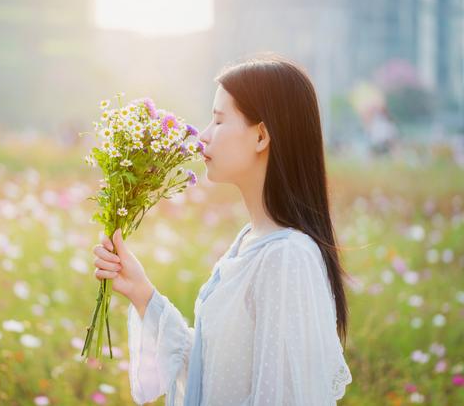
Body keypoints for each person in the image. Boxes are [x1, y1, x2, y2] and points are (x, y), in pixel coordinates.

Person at [92, 54, 352, 405]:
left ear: (261, 135)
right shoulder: (249, 241)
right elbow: (211, 374)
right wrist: (141, 292)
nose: (203, 136)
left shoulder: (286, 257)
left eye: (218, 120)